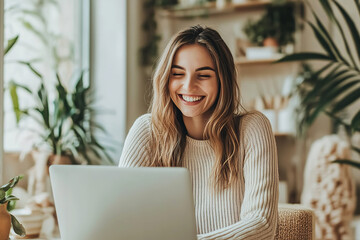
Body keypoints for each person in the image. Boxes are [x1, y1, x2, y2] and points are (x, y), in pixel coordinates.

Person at [119, 25, 279, 239]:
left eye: (203, 75)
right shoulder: (147, 131)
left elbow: (262, 225)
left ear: (223, 81)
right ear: (166, 78)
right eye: (177, 74)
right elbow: (120, 219)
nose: (188, 85)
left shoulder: (253, 129)